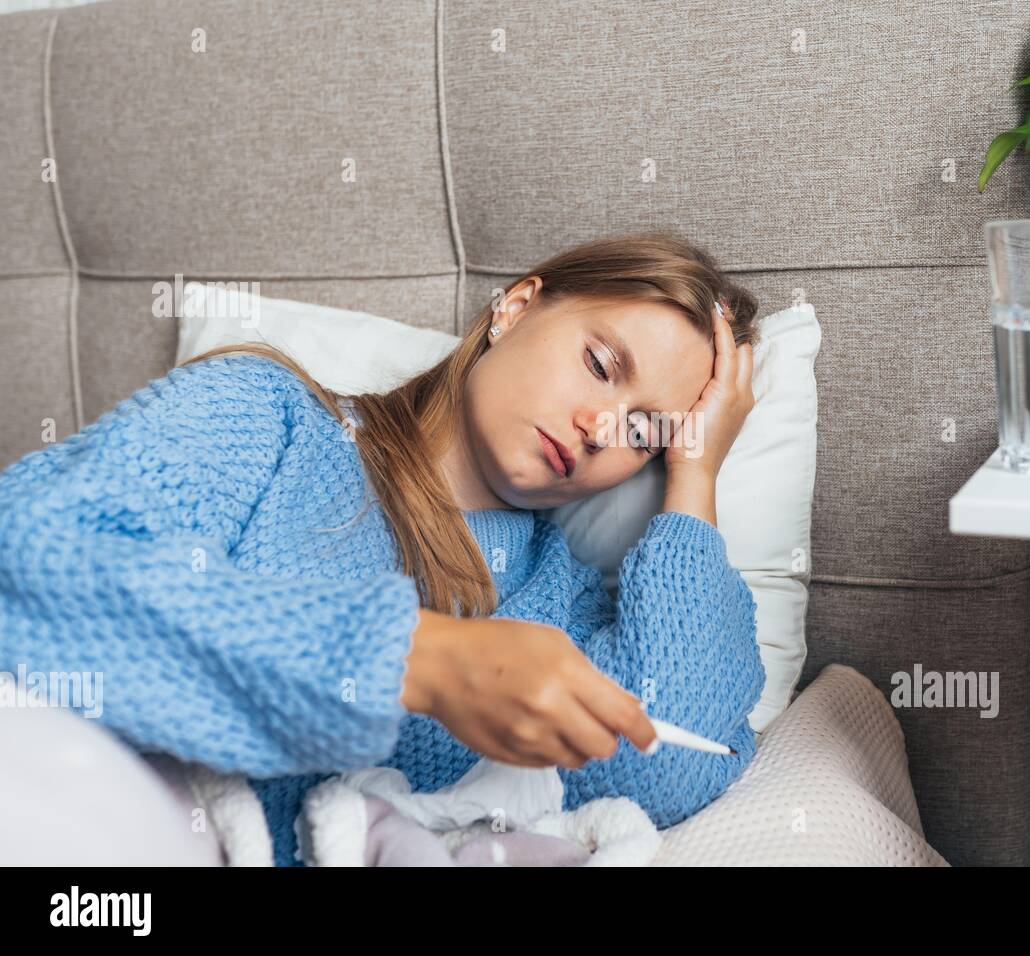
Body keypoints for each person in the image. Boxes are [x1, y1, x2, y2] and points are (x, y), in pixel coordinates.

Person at [0, 232, 764, 866]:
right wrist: (415, 660)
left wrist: (695, 475)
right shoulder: (268, 421)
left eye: (643, 432)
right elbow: (32, 558)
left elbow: (678, 759)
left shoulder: (554, 607)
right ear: (517, 307)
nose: (603, 429)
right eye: (600, 365)